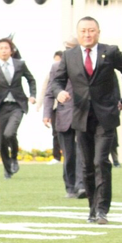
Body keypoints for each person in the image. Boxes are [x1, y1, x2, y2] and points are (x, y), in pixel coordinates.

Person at [51, 17, 122, 224]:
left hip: (105, 116)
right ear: (78, 34)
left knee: (101, 162)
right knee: (87, 165)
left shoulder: (111, 52)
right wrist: (59, 92)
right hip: (80, 116)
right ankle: (91, 208)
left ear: (98, 32)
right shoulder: (69, 56)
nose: (87, 35)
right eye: (83, 31)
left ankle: (102, 210)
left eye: (91, 31)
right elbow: (57, 80)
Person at [0, 38, 36, 179]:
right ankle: (7, 169)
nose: (4, 50)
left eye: (6, 48)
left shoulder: (20, 64)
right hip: (1, 107)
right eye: (1, 48)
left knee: (9, 133)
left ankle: (14, 158)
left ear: (11, 50)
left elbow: (31, 79)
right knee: (1, 140)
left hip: (17, 105)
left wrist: (32, 95)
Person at [44, 41, 86, 197]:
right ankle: (70, 187)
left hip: (84, 114)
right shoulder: (57, 67)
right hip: (64, 114)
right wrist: (47, 114)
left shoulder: (88, 65)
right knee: (69, 154)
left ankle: (82, 185)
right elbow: (49, 92)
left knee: (83, 151)